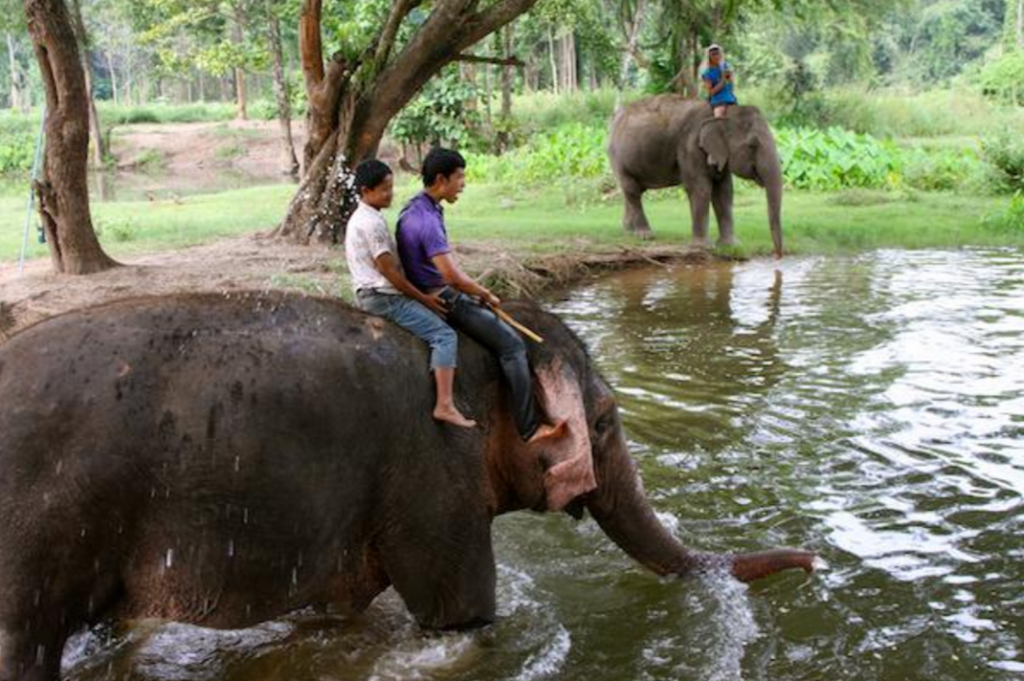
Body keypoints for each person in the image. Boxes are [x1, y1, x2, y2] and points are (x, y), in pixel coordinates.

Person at [395, 147, 565, 444]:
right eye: (459, 177)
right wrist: (484, 292)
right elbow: (450, 276)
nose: (463, 184)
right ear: (441, 179)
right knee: (512, 346)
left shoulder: (415, 208)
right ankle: (529, 429)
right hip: (443, 297)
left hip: (429, 290)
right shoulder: (428, 220)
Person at [344, 158, 476, 429]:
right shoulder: (373, 225)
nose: (390, 194)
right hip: (383, 297)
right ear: (365, 191)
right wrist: (422, 297)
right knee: (444, 335)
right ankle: (445, 404)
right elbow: (390, 271)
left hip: (370, 291)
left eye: (391, 187)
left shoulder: (363, 217)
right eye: (384, 189)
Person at [701, 44, 737, 118]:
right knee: (718, 118)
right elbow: (710, 92)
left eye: (717, 53)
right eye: (713, 54)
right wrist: (723, 80)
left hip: (731, 98)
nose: (716, 56)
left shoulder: (726, 66)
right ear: (709, 57)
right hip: (718, 100)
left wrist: (730, 78)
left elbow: (731, 85)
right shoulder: (707, 73)